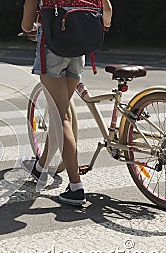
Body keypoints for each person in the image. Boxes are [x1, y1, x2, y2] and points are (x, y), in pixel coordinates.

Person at [20, 0, 113, 205]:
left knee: (61, 117)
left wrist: (29, 27)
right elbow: (107, 10)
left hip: (53, 47)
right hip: (79, 48)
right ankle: (41, 167)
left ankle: (75, 186)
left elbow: (28, 18)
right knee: (62, 114)